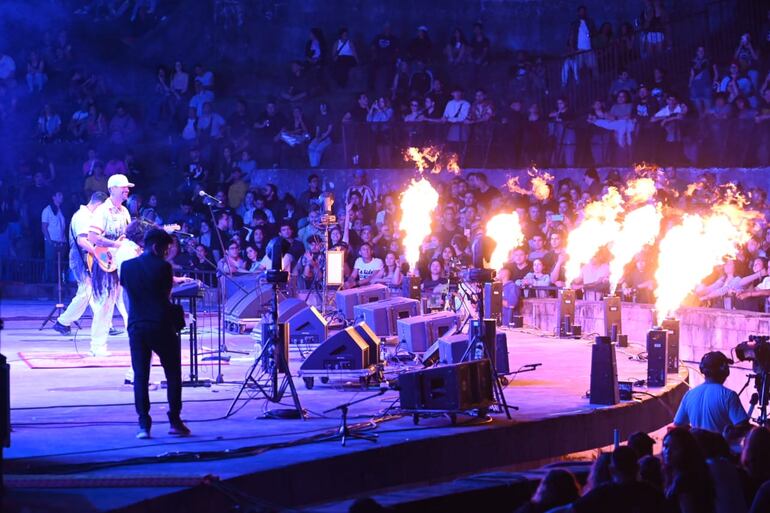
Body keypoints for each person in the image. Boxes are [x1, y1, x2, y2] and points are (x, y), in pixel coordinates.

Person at [120, 228, 191, 439]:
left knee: (141, 376)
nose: (168, 252)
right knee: (173, 374)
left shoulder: (127, 267)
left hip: (136, 325)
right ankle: (175, 421)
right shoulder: (163, 267)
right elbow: (165, 297)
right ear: (156, 246)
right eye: (167, 248)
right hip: (160, 324)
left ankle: (144, 424)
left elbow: (128, 295)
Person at [87, 174, 134, 357]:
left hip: (120, 262)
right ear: (113, 188)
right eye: (124, 187)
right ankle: (97, 346)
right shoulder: (102, 211)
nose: (127, 190)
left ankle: (135, 343)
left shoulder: (124, 212)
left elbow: (129, 235)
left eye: (128, 188)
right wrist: (116, 245)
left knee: (124, 302)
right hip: (105, 261)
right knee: (104, 304)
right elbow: (92, 237)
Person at [52, 192, 108, 335]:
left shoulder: (88, 216)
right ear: (99, 204)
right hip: (80, 259)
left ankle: (64, 322)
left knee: (89, 292)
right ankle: (63, 322)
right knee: (86, 292)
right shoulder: (83, 217)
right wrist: (99, 254)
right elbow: (82, 241)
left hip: (86, 258)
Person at [568, 446, 668, 513]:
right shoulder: (652, 493)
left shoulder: (602, 494)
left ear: (612, 469)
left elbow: (569, 509)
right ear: (637, 467)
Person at [673, 351, 749, 433]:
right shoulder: (729, 396)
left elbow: (678, 424)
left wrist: (695, 433)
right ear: (724, 370)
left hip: (696, 445)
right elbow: (742, 426)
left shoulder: (689, 395)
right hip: (720, 445)